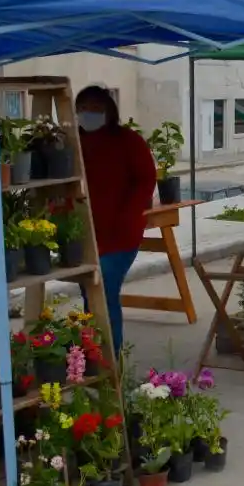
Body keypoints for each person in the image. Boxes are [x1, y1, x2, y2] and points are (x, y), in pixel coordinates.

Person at [75, 85, 157, 354]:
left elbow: (146, 179)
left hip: (119, 236)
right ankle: (92, 354)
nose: (89, 113)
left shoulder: (128, 140)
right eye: (83, 108)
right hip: (83, 232)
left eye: (96, 108)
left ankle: (110, 359)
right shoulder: (73, 141)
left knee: (103, 292)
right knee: (90, 294)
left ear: (109, 110)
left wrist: (127, 216)